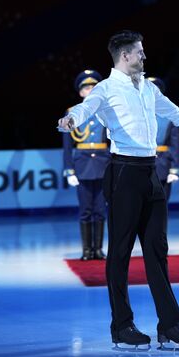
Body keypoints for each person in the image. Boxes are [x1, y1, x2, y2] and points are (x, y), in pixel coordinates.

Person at [57, 30, 179, 351]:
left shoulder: (148, 88)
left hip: (150, 172)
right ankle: (122, 325)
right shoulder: (105, 89)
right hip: (123, 173)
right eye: (140, 53)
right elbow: (83, 110)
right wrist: (70, 119)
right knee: (120, 252)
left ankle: (169, 325)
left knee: (157, 251)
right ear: (125, 56)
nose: (144, 57)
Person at [62, 69, 110, 261]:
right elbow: (67, 145)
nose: (90, 90)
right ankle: (86, 250)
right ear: (81, 92)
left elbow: (113, 141)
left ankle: (97, 249)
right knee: (85, 210)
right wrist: (69, 170)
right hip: (82, 164)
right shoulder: (72, 112)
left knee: (100, 209)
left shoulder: (107, 111)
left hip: (102, 163)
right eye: (86, 88)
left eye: (93, 87)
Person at [147, 77, 179, 200]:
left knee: (162, 203)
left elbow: (175, 144)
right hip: (140, 165)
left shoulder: (169, 116)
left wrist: (175, 169)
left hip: (162, 164)